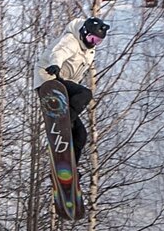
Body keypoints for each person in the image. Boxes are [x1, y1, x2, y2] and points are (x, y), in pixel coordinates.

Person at [35, 16, 110, 164]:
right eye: (91, 39)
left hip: (64, 83)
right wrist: (55, 64)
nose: (93, 43)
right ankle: (64, 119)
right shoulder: (71, 40)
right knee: (85, 94)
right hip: (49, 78)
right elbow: (59, 52)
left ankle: (68, 170)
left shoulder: (89, 50)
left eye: (97, 41)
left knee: (80, 135)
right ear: (83, 32)